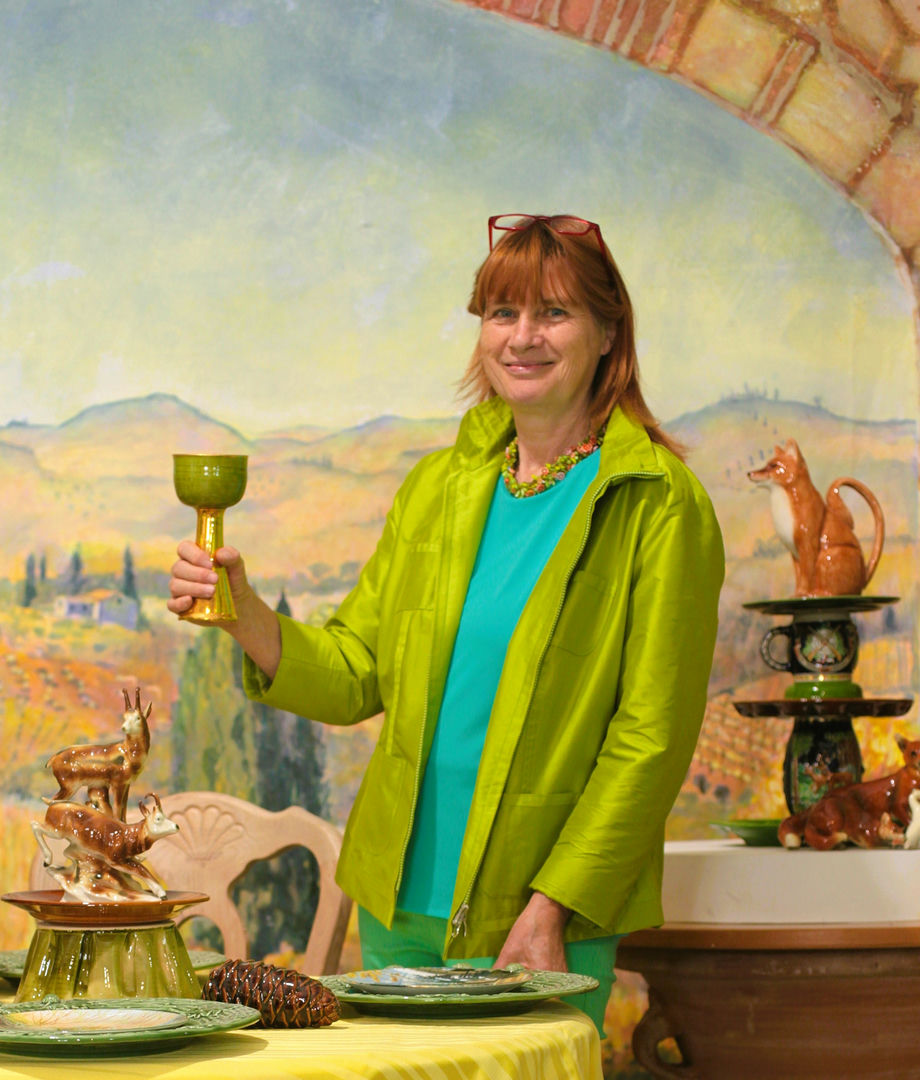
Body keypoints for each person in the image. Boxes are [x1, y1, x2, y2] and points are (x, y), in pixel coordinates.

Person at [168, 213, 724, 1033]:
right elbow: (357, 671)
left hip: (538, 917)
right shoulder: (438, 487)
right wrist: (242, 612)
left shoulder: (657, 502)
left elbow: (651, 737)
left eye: (553, 312)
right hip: (397, 902)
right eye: (502, 313)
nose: (522, 337)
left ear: (608, 332)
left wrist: (554, 906)